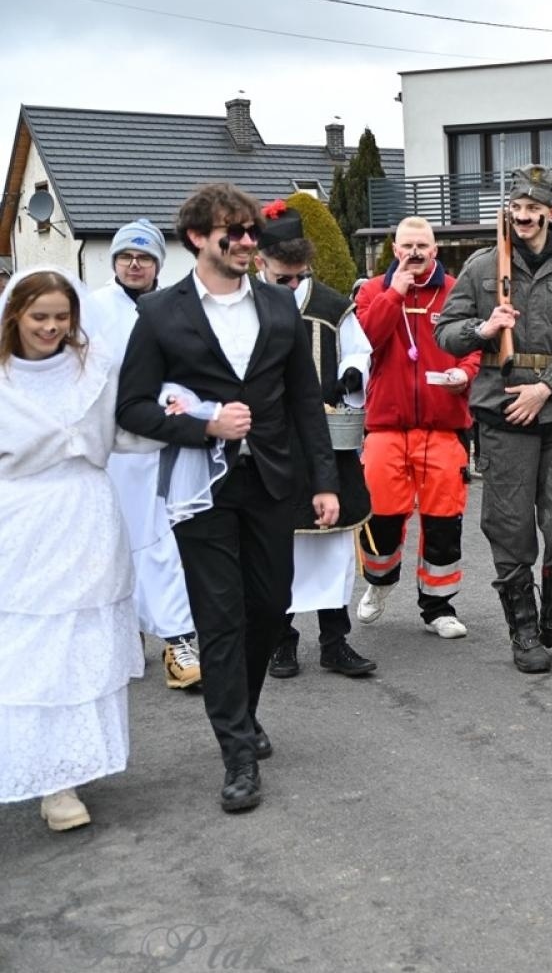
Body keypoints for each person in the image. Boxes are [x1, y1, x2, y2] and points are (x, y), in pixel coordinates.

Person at [118, 183, 340, 814]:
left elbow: (304, 400)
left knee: (270, 604)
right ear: (197, 238)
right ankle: (237, 752)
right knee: (220, 614)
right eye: (233, 232)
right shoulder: (160, 313)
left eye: (251, 232)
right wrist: (203, 427)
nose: (248, 242)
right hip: (201, 486)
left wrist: (324, 482)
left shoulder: (277, 307)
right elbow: (131, 406)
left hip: (273, 479)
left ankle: (242, 709)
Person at [436, 167, 552, 674]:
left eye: (534, 208)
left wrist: (546, 387)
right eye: (517, 207)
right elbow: (446, 332)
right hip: (503, 412)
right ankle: (524, 628)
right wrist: (483, 328)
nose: (524, 215)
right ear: (509, 210)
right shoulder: (483, 268)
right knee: (509, 524)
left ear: (551, 213)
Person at [0, 270, 151, 831]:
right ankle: (26, 758)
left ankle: (62, 778)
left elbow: (129, 429)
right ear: (15, 314)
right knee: (25, 644)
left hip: (84, 512)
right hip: (16, 518)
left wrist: (190, 420)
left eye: (62, 317)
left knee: (75, 644)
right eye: (40, 316)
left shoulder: (96, 367)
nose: (52, 328)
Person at [254, 203, 377, 680]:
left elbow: (360, 349)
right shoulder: (247, 302)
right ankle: (280, 641)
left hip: (325, 439)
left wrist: (351, 372)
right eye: (279, 276)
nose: (287, 285)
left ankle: (334, 640)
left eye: (294, 276)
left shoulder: (331, 305)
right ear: (261, 263)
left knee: (332, 544)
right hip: (272, 442)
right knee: (275, 543)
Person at [81, 219, 202, 691]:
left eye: (145, 256)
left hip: (165, 444)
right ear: (114, 262)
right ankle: (125, 635)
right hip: (112, 449)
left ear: (158, 264)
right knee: (114, 547)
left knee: (164, 548)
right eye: (126, 256)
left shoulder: (177, 307)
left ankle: (177, 640)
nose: (135, 264)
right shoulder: (92, 310)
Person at [354, 217, 479, 643]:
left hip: (443, 426)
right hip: (386, 426)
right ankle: (380, 581)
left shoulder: (457, 290)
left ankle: (438, 607)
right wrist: (395, 293)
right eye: (407, 245)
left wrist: (466, 373)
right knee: (382, 517)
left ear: (436, 249)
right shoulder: (373, 291)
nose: (415, 252)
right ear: (394, 249)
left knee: (444, 521)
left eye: (422, 245)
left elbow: (474, 344)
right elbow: (366, 341)